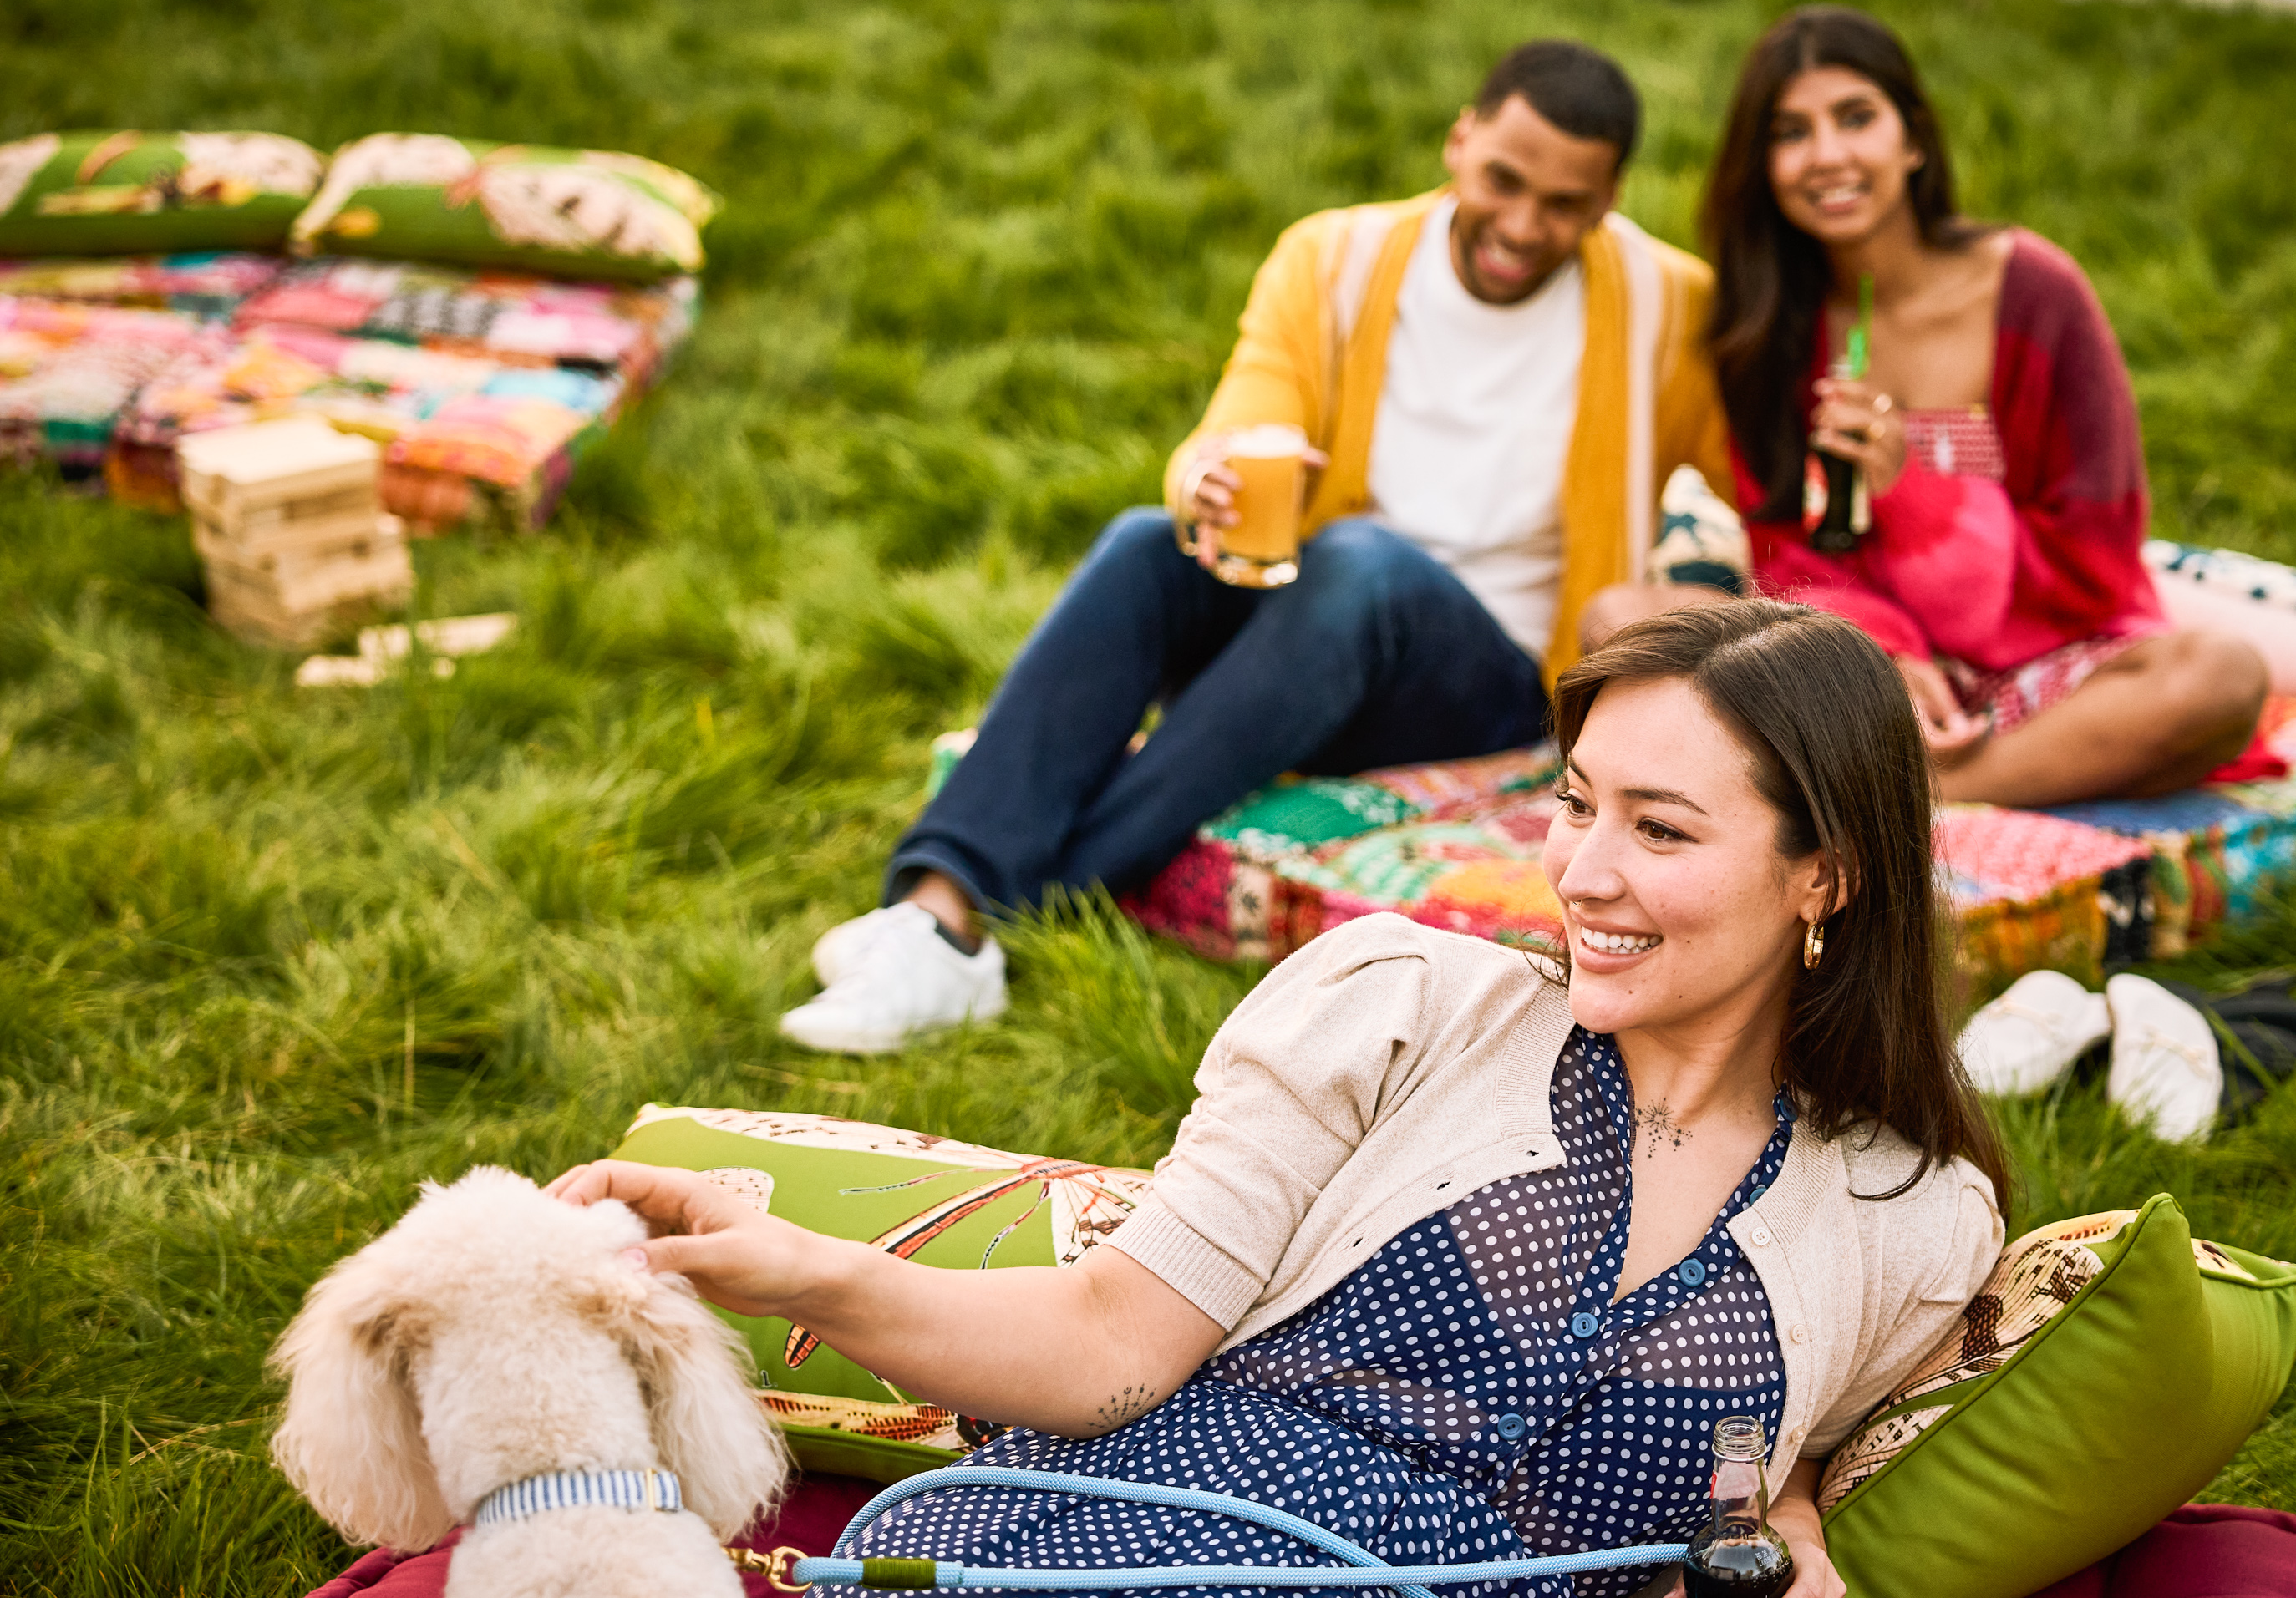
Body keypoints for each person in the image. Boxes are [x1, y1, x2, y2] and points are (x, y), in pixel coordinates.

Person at [553, 601, 2009, 1598]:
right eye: (1575, 802)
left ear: (1824, 875)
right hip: (1127, 1552)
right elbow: (1111, 1341)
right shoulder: (1400, 1003)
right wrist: (806, 1271)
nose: (1581, 873)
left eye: (1661, 830)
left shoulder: (1912, 1220)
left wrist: (1788, 1519)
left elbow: (1790, 1463)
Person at [786, 39, 1729, 1052]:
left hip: (1486, 683)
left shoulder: (1667, 303)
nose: (1523, 225)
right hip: (1308, 639)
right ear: (1459, 141)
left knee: (1365, 562)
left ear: (1609, 197)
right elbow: (1243, 422)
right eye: (1504, 181)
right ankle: (931, 910)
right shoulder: (1334, 257)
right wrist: (1207, 478)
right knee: (1146, 543)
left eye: (1564, 204)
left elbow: (1759, 483)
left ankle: (1000, 911)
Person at [1584, 7, 2267, 809]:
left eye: (1855, 118)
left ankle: (1926, 790)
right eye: (1791, 132)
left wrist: (1913, 488)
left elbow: (2097, 557)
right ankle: (1889, 771)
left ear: (1912, 138)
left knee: (2221, 676)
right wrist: (1881, 656)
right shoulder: (1767, 324)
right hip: (1860, 674)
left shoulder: (2035, 294)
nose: (1827, 154)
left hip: (2047, 666)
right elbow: (1788, 554)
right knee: (1620, 619)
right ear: (1762, 166)